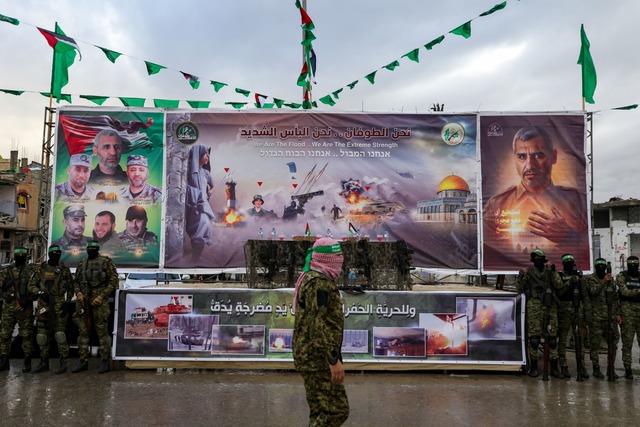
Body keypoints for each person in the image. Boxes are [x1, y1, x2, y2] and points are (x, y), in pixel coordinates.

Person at [483, 126, 588, 262]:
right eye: (522, 157)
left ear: (553, 156)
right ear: (514, 159)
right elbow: (485, 250)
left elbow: (588, 249)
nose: (530, 165)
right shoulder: (496, 204)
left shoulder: (576, 200)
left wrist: (567, 236)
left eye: (538, 156)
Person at [292, 237, 349, 426]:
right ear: (327, 259)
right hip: (318, 359)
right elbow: (317, 325)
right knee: (334, 411)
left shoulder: (313, 278)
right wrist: (332, 359)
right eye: (337, 256)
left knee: (321, 412)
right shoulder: (319, 283)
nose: (341, 259)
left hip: (313, 356)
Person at [71, 240, 119, 374]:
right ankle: (83, 361)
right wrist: (78, 293)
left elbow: (113, 280)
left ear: (98, 249)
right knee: (83, 332)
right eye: (89, 248)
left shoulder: (106, 262)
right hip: (84, 302)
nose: (91, 250)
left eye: (93, 248)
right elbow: (76, 281)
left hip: (100, 302)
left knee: (102, 332)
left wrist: (101, 296)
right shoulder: (82, 263)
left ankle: (105, 361)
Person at [516, 248, 562, 378]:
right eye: (535, 258)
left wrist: (553, 271)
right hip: (534, 306)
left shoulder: (550, 271)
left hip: (549, 307)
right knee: (534, 339)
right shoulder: (529, 273)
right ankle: (534, 367)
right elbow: (519, 289)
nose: (537, 260)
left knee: (552, 339)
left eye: (539, 258)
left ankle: (554, 367)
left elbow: (558, 285)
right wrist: (521, 276)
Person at [30, 245, 74, 374]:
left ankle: (63, 363)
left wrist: (67, 302)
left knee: (60, 334)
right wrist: (39, 292)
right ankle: (44, 362)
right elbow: (31, 285)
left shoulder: (64, 270)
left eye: (58, 254)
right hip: (43, 304)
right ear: (49, 254)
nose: (56, 256)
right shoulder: (40, 269)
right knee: (42, 335)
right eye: (54, 253)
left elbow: (71, 288)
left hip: (59, 305)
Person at [0, 247, 40, 373]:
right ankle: (4, 359)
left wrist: (28, 300)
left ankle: (27, 359)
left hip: (25, 308)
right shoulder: (7, 270)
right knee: (5, 334)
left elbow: (36, 287)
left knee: (26, 334)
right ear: (14, 255)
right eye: (19, 254)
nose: (21, 256)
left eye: (23, 255)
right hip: (9, 307)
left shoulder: (31, 270)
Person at [555, 254, 591, 379]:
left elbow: (585, 295)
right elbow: (559, 291)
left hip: (578, 308)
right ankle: (563, 366)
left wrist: (587, 313)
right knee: (563, 339)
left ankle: (582, 366)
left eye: (571, 261)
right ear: (563, 263)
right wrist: (570, 282)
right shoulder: (560, 276)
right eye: (567, 261)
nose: (570, 263)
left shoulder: (580, 276)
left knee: (580, 339)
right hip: (564, 308)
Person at [585, 258, 621, 379]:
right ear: (595, 267)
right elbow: (593, 292)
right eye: (598, 266)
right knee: (594, 344)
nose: (601, 268)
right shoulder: (590, 279)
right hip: (596, 317)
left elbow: (615, 298)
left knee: (614, 341)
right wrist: (604, 282)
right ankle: (596, 368)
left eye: (603, 266)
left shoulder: (611, 280)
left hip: (610, 317)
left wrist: (617, 313)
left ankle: (611, 368)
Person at [186, 144, 215, 262]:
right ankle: (194, 256)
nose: (207, 157)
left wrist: (208, 193)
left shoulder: (206, 173)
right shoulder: (188, 170)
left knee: (205, 224)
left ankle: (196, 256)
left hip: (203, 204)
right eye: (205, 154)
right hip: (191, 204)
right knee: (196, 228)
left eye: (208, 155)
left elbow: (213, 186)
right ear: (198, 155)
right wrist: (193, 193)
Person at [616, 255, 640, 379]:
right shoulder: (621, 276)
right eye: (631, 264)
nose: (634, 266)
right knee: (627, 343)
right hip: (627, 312)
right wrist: (637, 291)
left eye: (636, 264)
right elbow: (624, 292)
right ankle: (628, 368)